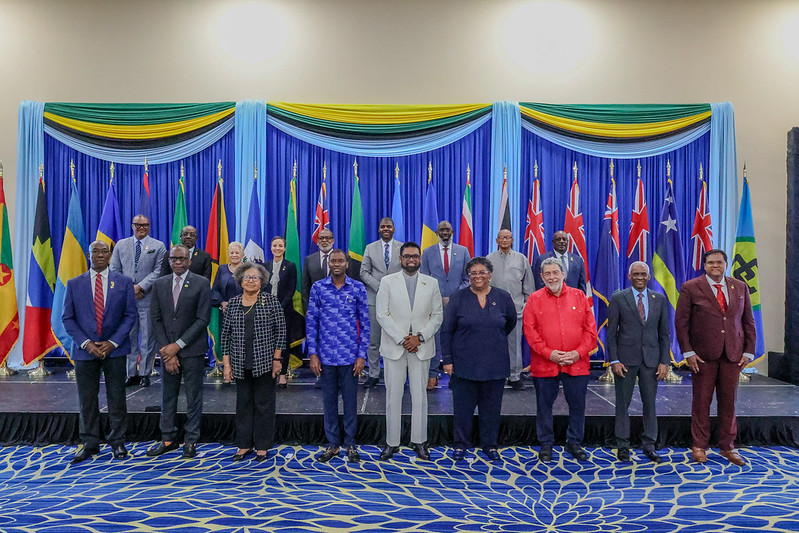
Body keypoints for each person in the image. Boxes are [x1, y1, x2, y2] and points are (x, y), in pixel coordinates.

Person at [675, 249, 756, 466]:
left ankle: (727, 447)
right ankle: (699, 446)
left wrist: (749, 351)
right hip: (702, 356)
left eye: (719, 262)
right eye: (711, 262)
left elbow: (748, 321)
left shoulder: (740, 287)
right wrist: (688, 352)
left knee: (729, 403)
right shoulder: (691, 287)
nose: (715, 266)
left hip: (733, 355)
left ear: (725, 264)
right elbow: (681, 323)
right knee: (701, 402)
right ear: (704, 266)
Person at [62, 240, 137, 464]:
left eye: (105, 251)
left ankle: (118, 442)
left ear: (110, 255)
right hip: (85, 352)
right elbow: (68, 318)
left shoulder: (124, 282)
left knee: (117, 397)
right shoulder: (74, 284)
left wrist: (113, 342)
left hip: (114, 351)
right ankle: (89, 443)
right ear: (89, 255)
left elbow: (130, 315)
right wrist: (87, 343)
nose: (100, 255)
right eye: (96, 251)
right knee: (87, 399)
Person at [441, 257, 517, 462]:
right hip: (464, 364)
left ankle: (490, 445)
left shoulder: (503, 297)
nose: (478, 276)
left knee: (491, 410)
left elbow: (510, 323)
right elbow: (446, 330)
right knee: (463, 409)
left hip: (494, 365)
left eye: (482, 272)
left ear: (490, 274)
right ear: (468, 276)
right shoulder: (458, 297)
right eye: (473, 273)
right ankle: (460, 444)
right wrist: (447, 360)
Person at [523, 257, 597, 463]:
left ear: (563, 274)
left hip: (577, 363)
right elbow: (530, 332)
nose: (552, 277)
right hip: (545, 363)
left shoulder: (579, 296)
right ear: (541, 277)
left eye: (555, 272)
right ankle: (546, 443)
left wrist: (577, 353)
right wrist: (550, 354)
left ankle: (575, 442)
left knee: (577, 405)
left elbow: (590, 331)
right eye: (547, 274)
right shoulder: (534, 299)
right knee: (544, 406)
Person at [376, 242, 443, 461]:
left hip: (421, 347)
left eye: (415, 256)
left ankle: (420, 441)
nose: (411, 260)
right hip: (395, 346)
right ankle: (391, 443)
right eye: (407, 256)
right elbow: (382, 314)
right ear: (400, 258)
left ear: (420, 258)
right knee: (393, 396)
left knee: (420, 397)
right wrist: (403, 339)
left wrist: (419, 337)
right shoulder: (387, 282)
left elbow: (437, 316)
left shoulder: (431, 283)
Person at [146, 244, 211, 459]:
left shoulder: (201, 283)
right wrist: (168, 351)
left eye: (182, 259)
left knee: (194, 397)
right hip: (167, 352)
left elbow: (203, 319)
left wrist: (178, 345)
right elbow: (155, 319)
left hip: (192, 350)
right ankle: (168, 438)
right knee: (167, 396)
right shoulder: (159, 284)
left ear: (189, 261)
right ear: (169, 261)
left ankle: (191, 440)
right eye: (174, 259)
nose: (178, 262)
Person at [306, 249, 370, 463]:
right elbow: (311, 323)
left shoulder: (358, 288)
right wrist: (313, 353)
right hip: (325, 357)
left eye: (340, 261)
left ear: (347, 264)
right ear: (329, 264)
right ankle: (333, 444)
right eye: (333, 261)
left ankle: (350, 443)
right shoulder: (318, 288)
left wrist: (362, 355)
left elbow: (366, 324)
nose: (336, 264)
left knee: (351, 402)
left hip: (350, 357)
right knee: (329, 402)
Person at [221, 262, 286, 462]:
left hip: (265, 362)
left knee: (264, 405)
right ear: (240, 280)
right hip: (240, 363)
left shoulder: (271, 301)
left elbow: (281, 332)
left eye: (255, 277)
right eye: (247, 277)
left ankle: (262, 447)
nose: (251, 281)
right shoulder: (232, 304)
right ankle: (243, 445)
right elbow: (225, 336)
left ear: (262, 281)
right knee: (243, 404)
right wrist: (227, 365)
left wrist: (277, 359)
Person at [607, 261, 670, 463]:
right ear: (629, 276)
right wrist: (614, 360)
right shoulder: (618, 298)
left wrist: (665, 362)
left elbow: (664, 334)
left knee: (650, 404)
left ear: (649, 277)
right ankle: (622, 446)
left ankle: (649, 445)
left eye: (643, 274)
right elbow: (611, 334)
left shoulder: (659, 299)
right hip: (625, 361)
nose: (640, 277)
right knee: (622, 405)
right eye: (636, 274)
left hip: (651, 361)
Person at [110, 214, 166, 388]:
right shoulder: (121, 245)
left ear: (149, 226)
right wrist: (130, 289)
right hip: (126, 300)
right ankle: (131, 373)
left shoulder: (158, 246)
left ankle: (145, 373)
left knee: (147, 338)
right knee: (129, 337)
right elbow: (114, 270)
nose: (142, 228)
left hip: (148, 298)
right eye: (138, 225)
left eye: (145, 225)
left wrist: (140, 287)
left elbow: (159, 271)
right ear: (132, 226)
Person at [420, 220, 471, 390]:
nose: (444, 233)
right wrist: (437, 297)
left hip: (457, 305)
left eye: (447, 230)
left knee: (457, 340)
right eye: (441, 230)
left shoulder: (463, 251)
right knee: (434, 340)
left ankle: (456, 375)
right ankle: (432, 375)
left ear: (452, 232)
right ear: (437, 233)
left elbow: (467, 279)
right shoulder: (427, 252)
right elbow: (424, 279)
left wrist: (453, 297)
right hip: (434, 304)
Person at [486, 229, 535, 390]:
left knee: (514, 346)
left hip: (516, 311)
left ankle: (514, 376)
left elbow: (528, 287)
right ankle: (495, 374)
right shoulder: (489, 259)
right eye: (501, 237)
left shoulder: (521, 259)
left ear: (512, 240)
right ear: (497, 240)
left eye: (508, 237)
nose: (505, 240)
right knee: (493, 344)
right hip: (493, 311)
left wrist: (525, 307)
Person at [360, 218, 403, 388]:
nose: (386, 229)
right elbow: (364, 273)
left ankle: (397, 374)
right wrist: (381, 287)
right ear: (379, 229)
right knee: (374, 340)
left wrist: (392, 289)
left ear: (394, 229)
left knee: (397, 337)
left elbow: (407, 271)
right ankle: (373, 374)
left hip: (397, 300)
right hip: (374, 298)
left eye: (389, 226)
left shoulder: (402, 248)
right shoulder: (370, 248)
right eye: (383, 226)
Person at [264, 236, 298, 388]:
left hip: (285, 311)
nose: (277, 248)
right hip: (266, 311)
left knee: (283, 342)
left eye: (280, 246)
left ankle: (282, 375)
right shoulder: (265, 266)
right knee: (267, 341)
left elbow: (291, 289)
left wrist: (280, 307)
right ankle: (269, 373)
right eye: (274, 245)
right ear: (271, 248)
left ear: (284, 248)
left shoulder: (290, 266)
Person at [212, 241, 245, 313]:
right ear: (228, 255)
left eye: (237, 253)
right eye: (231, 253)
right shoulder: (221, 269)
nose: (234, 255)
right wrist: (222, 302)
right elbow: (215, 289)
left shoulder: (248, 269)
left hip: (244, 309)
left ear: (242, 255)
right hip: (225, 309)